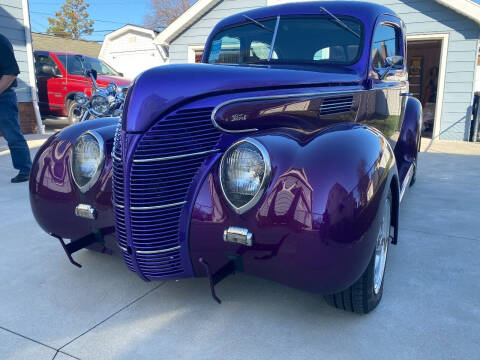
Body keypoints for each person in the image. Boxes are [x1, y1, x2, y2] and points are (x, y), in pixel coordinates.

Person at [0, 33, 32, 183]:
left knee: (12, 135)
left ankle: (26, 169)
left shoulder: (1, 41)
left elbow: (11, 73)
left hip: (3, 98)